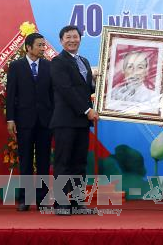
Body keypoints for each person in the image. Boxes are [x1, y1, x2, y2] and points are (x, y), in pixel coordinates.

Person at [50, 25, 98, 215]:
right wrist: (87, 110)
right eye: (68, 37)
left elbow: (86, 89)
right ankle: (61, 203)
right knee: (64, 162)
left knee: (79, 163)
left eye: (75, 36)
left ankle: (78, 203)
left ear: (80, 39)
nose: (72, 40)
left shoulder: (84, 61)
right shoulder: (57, 62)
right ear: (61, 41)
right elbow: (67, 90)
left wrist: (103, 81)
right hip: (65, 121)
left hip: (81, 122)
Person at [6, 33, 53, 211]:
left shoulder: (49, 66)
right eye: (39, 45)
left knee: (43, 160)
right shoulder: (16, 66)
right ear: (28, 47)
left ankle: (42, 199)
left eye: (44, 45)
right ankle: (24, 198)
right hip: (24, 120)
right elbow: (11, 94)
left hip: (45, 121)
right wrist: (10, 118)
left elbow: (53, 95)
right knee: (25, 160)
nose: (43, 48)